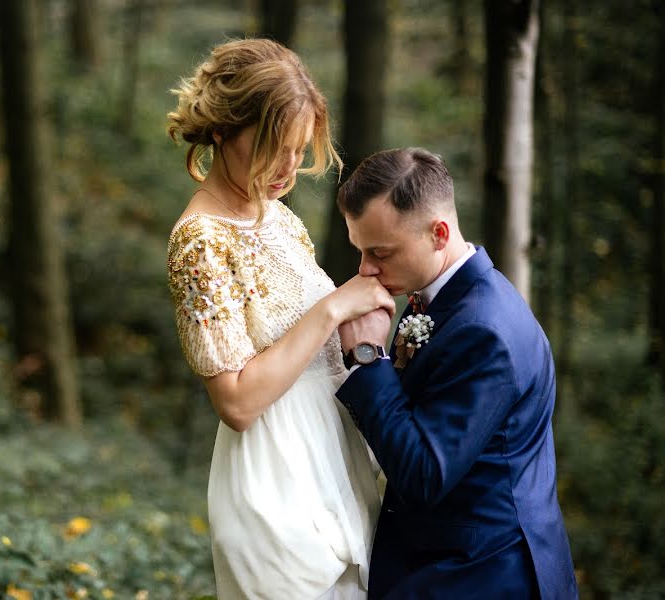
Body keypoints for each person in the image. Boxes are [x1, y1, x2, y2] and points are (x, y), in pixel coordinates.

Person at [165, 39, 388, 599]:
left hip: (336, 459)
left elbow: (323, 350)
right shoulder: (199, 242)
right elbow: (236, 403)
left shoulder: (281, 220)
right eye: (273, 148)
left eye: (299, 149)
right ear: (222, 131)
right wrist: (333, 306)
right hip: (275, 482)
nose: (289, 168)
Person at [334, 147, 578, 599]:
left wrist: (368, 358)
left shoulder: (484, 331)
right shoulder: (441, 299)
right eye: (360, 250)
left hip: (480, 574)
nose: (365, 269)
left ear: (438, 233)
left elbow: (425, 473)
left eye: (380, 252)